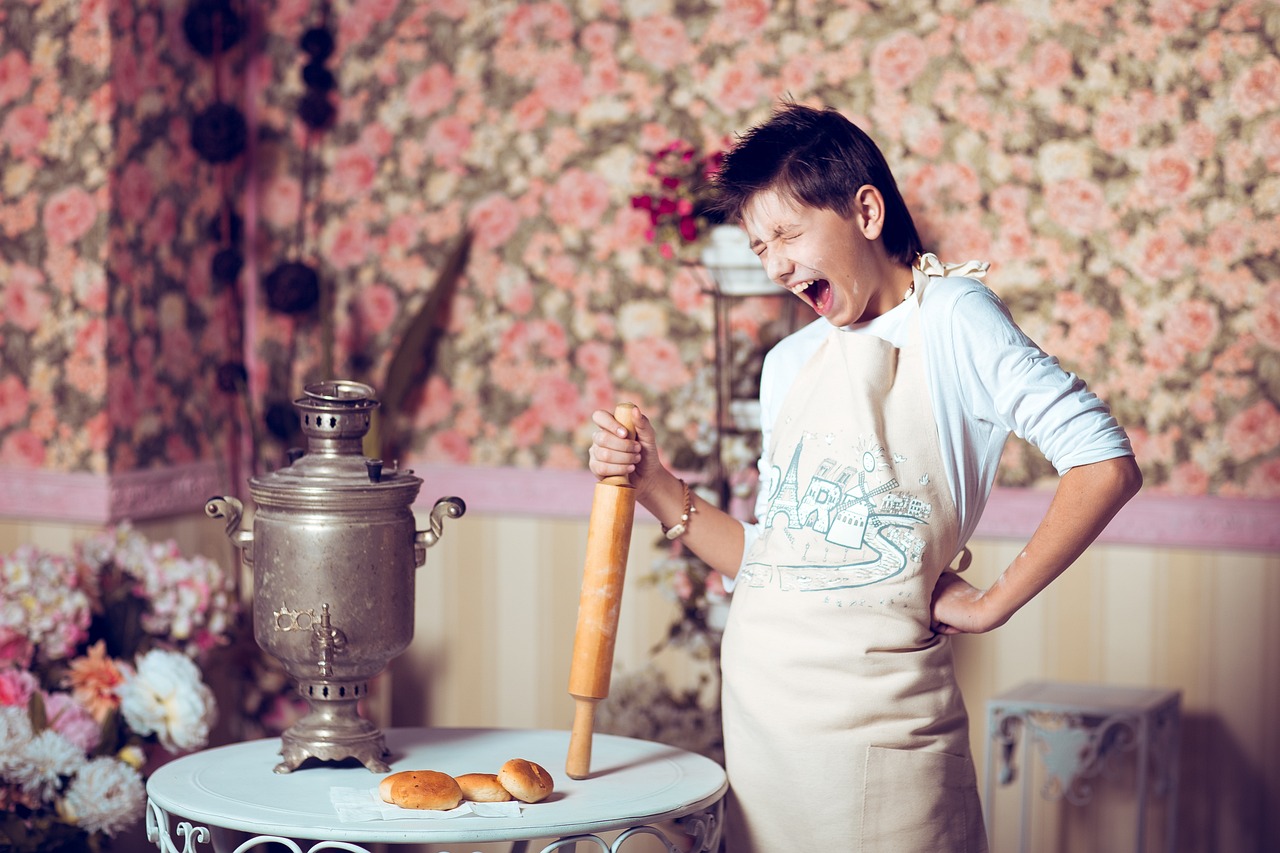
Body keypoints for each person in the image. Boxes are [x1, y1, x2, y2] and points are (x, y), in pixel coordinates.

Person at [588, 102, 1141, 852]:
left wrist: (993, 603)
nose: (777, 264)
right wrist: (653, 482)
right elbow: (775, 559)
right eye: (759, 247)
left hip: (881, 733)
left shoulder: (951, 316)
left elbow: (1103, 460)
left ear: (867, 211)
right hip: (764, 732)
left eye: (788, 233)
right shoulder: (788, 365)